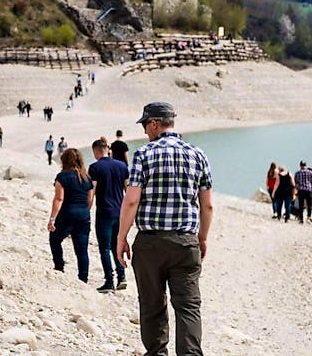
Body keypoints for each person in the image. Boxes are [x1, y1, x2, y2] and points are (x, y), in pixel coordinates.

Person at [117, 102, 213, 356]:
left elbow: (131, 200)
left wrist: (121, 237)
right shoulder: (198, 154)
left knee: (152, 305)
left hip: (150, 243)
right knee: (188, 307)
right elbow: (207, 205)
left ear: (155, 124)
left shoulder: (143, 154)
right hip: (185, 242)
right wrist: (202, 238)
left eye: (145, 125)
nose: (145, 131)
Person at [48, 149, 94, 283]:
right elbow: (90, 198)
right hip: (83, 215)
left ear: (64, 160)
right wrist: (85, 211)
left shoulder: (62, 177)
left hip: (66, 215)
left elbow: (59, 198)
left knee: (55, 239)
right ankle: (83, 278)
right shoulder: (86, 177)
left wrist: (52, 219)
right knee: (82, 250)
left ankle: (59, 267)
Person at [89, 138, 129, 292]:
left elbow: (91, 192)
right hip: (120, 212)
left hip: (104, 212)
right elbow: (128, 190)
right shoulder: (122, 166)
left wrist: (87, 209)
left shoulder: (94, 168)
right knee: (116, 245)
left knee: (104, 248)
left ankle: (109, 281)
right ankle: (122, 276)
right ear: (108, 149)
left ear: (95, 151)